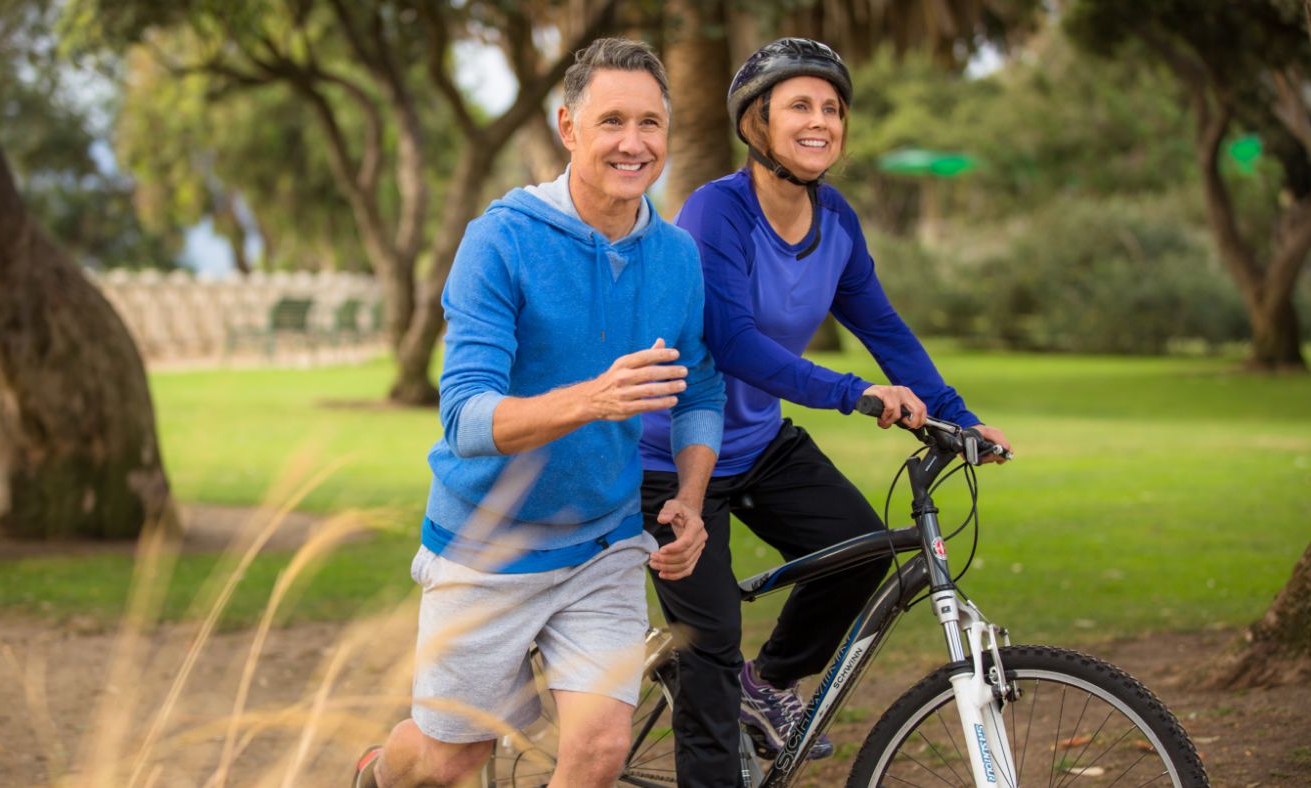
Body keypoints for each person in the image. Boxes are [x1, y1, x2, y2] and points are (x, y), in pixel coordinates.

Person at [638, 38, 1013, 785]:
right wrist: (854, 393)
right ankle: (716, 707)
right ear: (758, 123)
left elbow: (883, 328)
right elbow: (732, 342)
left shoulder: (834, 219)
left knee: (862, 551)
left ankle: (769, 683)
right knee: (710, 647)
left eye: (832, 109)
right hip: (669, 456)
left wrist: (957, 415)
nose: (820, 121)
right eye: (800, 107)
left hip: (760, 443)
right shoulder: (717, 211)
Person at [354, 38, 725, 788]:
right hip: (485, 547)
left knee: (599, 750)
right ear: (568, 128)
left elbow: (699, 389)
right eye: (612, 121)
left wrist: (689, 498)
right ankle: (378, 772)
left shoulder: (677, 257)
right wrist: (593, 398)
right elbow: (465, 418)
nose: (633, 143)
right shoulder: (500, 240)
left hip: (603, 544)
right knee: (450, 757)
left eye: (650, 123)